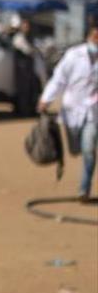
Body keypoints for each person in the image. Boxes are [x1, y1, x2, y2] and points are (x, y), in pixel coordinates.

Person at [38, 16, 98, 201]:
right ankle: (78, 149)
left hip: (93, 112)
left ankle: (84, 189)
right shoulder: (73, 55)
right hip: (72, 111)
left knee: (89, 148)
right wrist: (46, 99)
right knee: (76, 150)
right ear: (90, 35)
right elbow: (59, 79)